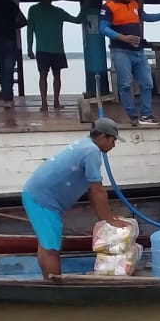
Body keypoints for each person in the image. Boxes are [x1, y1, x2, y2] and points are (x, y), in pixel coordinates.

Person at [22, 118, 130, 278]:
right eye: (113, 140)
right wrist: (110, 221)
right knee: (51, 249)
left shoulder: (85, 144)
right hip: (44, 201)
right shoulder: (92, 151)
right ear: (102, 137)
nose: (113, 145)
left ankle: (47, 283)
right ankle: (55, 292)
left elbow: (92, 192)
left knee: (46, 245)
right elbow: (97, 190)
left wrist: (105, 220)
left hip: (34, 194)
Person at [100, 0, 160, 125]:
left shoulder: (135, 4)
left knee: (147, 83)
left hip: (138, 51)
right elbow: (103, 29)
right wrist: (123, 37)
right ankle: (133, 116)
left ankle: (146, 115)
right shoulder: (108, 7)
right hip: (121, 51)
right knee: (125, 84)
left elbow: (146, 17)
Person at [27, 0, 82, 112]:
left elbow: (77, 20)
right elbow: (30, 30)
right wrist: (29, 48)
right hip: (44, 50)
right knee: (43, 75)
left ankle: (56, 101)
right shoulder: (34, 10)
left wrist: (84, 5)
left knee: (56, 76)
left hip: (56, 50)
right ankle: (44, 103)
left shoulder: (58, 11)